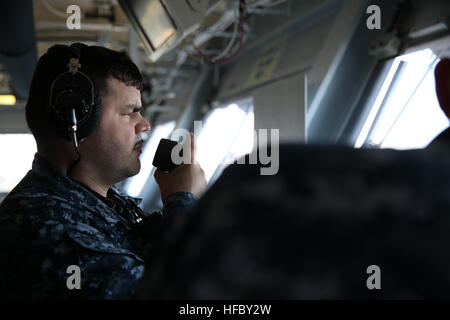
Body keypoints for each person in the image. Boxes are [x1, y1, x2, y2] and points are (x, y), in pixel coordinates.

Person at [0, 43, 207, 299]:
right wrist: (184, 204)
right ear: (75, 121)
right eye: (129, 113)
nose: (144, 125)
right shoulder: (45, 230)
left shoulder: (98, 202)